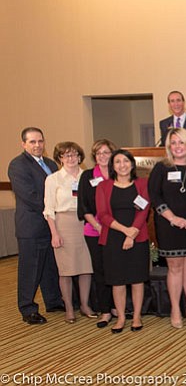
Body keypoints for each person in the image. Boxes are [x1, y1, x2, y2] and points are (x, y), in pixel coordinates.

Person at [8, 127, 63, 324]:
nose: (37, 145)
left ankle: (54, 301)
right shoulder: (18, 165)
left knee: (50, 266)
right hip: (32, 227)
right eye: (32, 142)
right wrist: (55, 208)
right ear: (23, 144)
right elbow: (31, 197)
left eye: (40, 141)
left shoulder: (50, 164)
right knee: (30, 269)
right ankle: (28, 308)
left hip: (51, 225)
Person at [149, 128, 186, 329]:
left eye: (182, 142)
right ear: (169, 146)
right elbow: (155, 196)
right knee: (175, 267)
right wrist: (172, 218)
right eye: (174, 143)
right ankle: (175, 309)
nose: (178, 147)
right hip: (169, 226)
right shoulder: (161, 168)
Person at [96, 149, 151, 333]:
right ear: (112, 166)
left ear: (132, 164)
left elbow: (144, 210)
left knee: (137, 279)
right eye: (117, 162)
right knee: (117, 280)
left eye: (126, 161)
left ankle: (136, 316)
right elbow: (102, 215)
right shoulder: (103, 187)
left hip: (138, 237)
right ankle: (120, 317)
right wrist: (125, 231)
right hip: (113, 238)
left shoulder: (142, 184)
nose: (122, 165)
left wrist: (132, 233)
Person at [44, 142, 95, 324]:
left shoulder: (88, 177)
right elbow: (48, 209)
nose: (70, 159)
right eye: (66, 156)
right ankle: (68, 308)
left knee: (85, 267)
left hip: (85, 223)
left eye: (74, 155)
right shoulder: (53, 179)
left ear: (80, 157)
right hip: (63, 223)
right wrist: (54, 234)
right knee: (65, 270)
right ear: (59, 159)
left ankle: (85, 305)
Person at [77, 139, 117, 328]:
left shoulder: (120, 173)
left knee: (116, 269)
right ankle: (105, 310)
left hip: (117, 230)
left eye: (106, 152)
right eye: (99, 153)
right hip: (95, 230)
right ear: (94, 156)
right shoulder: (87, 176)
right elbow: (83, 205)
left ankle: (117, 306)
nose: (102, 156)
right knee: (100, 270)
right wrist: (98, 226)